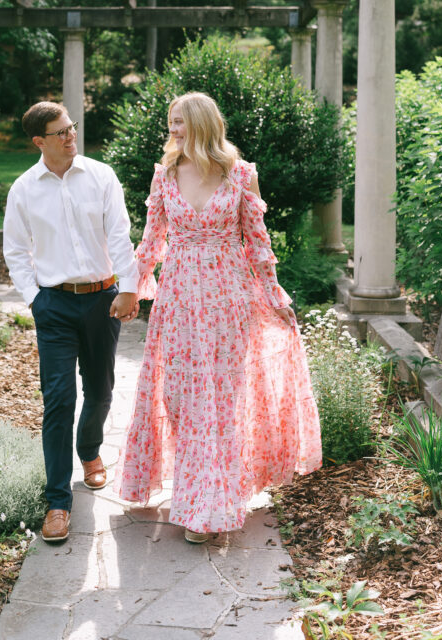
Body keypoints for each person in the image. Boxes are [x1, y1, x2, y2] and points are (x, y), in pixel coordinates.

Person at [115, 92, 322, 542]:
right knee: (181, 397)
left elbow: (258, 243)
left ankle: (210, 504)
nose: (172, 130)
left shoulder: (241, 174)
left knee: (223, 402)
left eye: (179, 122)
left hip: (229, 301)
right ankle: (195, 490)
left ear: (202, 124)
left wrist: (274, 294)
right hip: (178, 301)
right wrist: (131, 290)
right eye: (170, 123)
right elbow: (151, 241)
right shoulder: (165, 174)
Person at [3, 101, 139, 543]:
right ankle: (58, 501)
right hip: (55, 307)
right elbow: (15, 250)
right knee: (59, 400)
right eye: (60, 132)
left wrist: (128, 288)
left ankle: (90, 451)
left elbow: (119, 235)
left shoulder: (101, 176)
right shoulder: (24, 189)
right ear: (39, 141)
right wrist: (35, 299)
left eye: (71, 127)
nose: (70, 136)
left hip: (102, 299)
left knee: (100, 390)